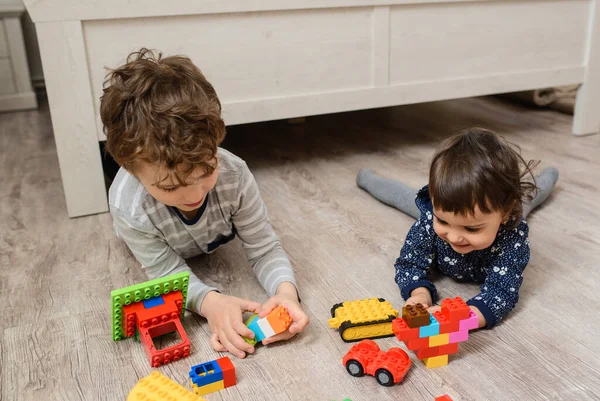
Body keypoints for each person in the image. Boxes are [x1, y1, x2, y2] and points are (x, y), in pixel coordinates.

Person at [100, 48, 309, 358]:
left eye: (207, 170)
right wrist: (210, 303)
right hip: (156, 238)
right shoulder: (130, 208)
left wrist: (286, 293)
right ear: (130, 169)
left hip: (210, 234)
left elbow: (264, 246)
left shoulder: (234, 174)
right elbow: (166, 272)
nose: (193, 194)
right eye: (171, 186)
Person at [357, 128, 559, 328]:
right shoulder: (430, 217)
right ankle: (368, 179)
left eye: (471, 229)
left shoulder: (512, 235)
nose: (453, 237)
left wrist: (458, 319)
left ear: (504, 214)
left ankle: (549, 175)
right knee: (402, 197)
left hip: (511, 211)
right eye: (444, 222)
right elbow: (409, 263)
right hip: (439, 210)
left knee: (529, 197)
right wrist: (419, 293)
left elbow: (501, 294)